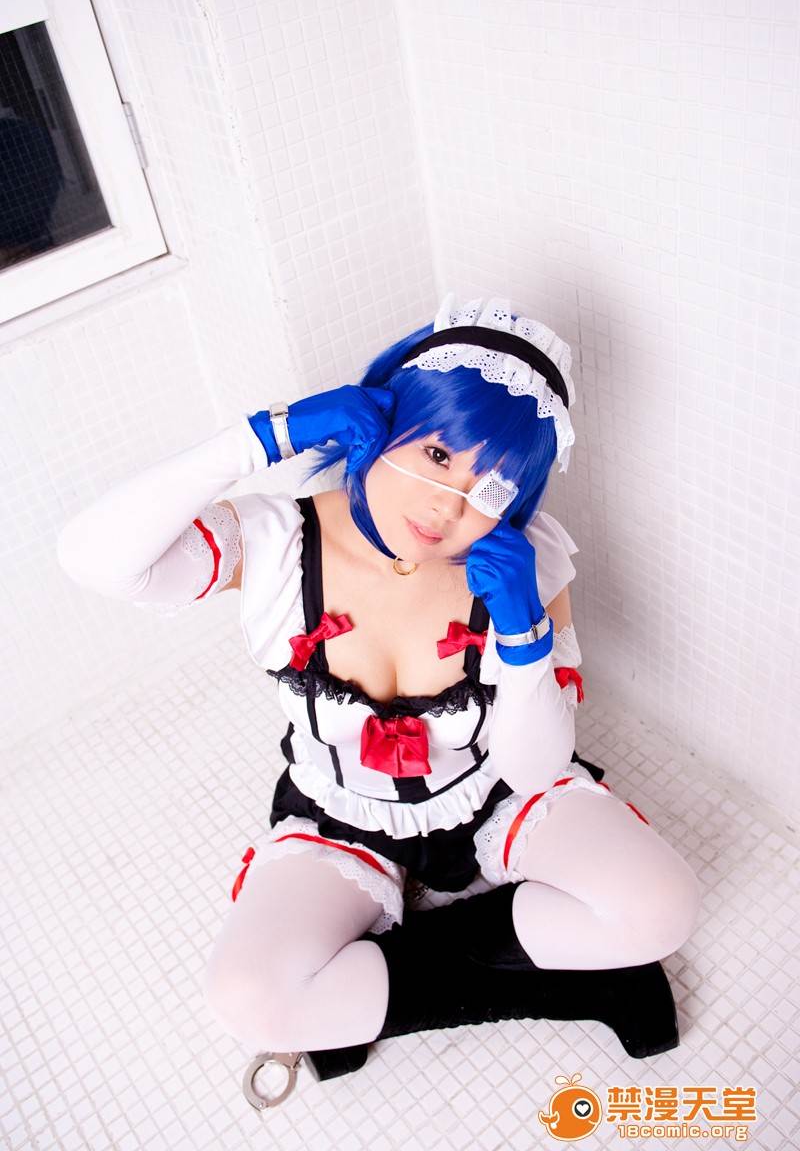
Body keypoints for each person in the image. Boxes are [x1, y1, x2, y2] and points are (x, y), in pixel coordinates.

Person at [56, 293, 702, 1108]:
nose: (448, 507)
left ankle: (370, 993)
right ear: (384, 421)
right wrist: (262, 436)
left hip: (493, 794)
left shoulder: (526, 560)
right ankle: (569, 978)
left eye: (491, 486)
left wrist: (523, 632)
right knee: (248, 998)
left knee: (662, 908)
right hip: (342, 815)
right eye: (437, 452)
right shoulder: (279, 541)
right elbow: (94, 560)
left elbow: (536, 767)